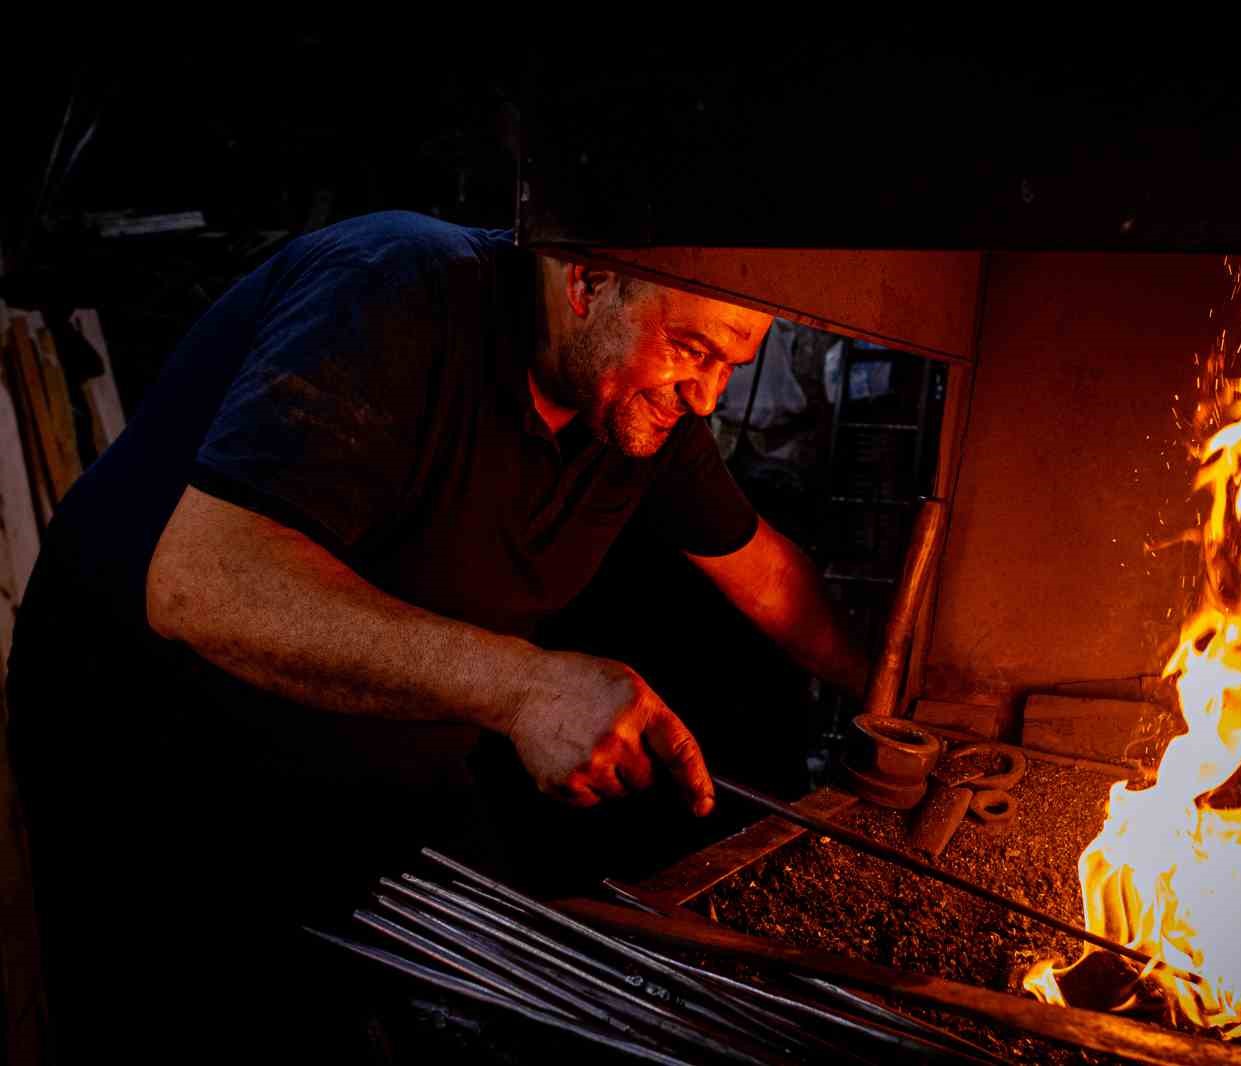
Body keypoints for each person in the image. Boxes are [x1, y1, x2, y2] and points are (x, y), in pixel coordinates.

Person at [5, 210, 869, 1060]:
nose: (709, 393)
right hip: (162, 755)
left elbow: (767, 575)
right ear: (590, 282)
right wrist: (528, 687)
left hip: (380, 749)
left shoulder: (641, 403)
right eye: (692, 350)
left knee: (468, 1012)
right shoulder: (393, 292)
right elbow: (203, 584)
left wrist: (895, 696)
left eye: (732, 363)